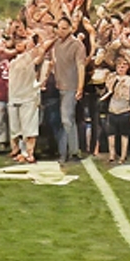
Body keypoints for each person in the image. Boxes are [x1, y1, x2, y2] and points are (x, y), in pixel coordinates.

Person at [50, 17, 86, 162]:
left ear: (71, 28)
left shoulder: (77, 45)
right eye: (59, 28)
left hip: (70, 87)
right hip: (58, 86)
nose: (61, 31)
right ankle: (68, 150)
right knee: (63, 120)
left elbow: (81, 66)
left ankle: (70, 151)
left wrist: (80, 87)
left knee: (67, 119)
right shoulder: (57, 43)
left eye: (65, 28)